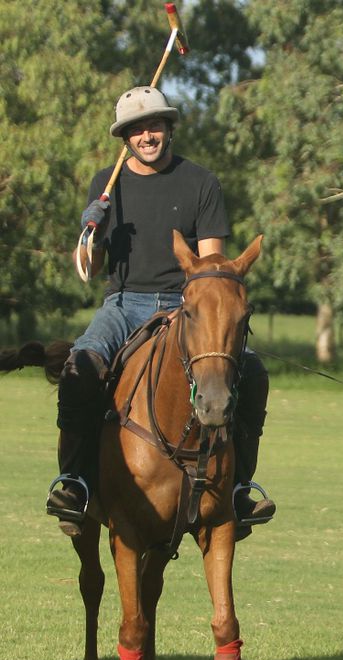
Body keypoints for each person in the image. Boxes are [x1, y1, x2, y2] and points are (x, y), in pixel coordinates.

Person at [47, 86, 275, 538]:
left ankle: (239, 489)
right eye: (136, 129)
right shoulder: (107, 186)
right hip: (124, 302)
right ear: (125, 138)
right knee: (79, 368)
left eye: (154, 125)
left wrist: (195, 312)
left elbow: (212, 267)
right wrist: (89, 230)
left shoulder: (201, 183)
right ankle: (74, 482)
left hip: (183, 306)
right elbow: (89, 271)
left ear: (169, 128)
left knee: (252, 373)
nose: (146, 135)